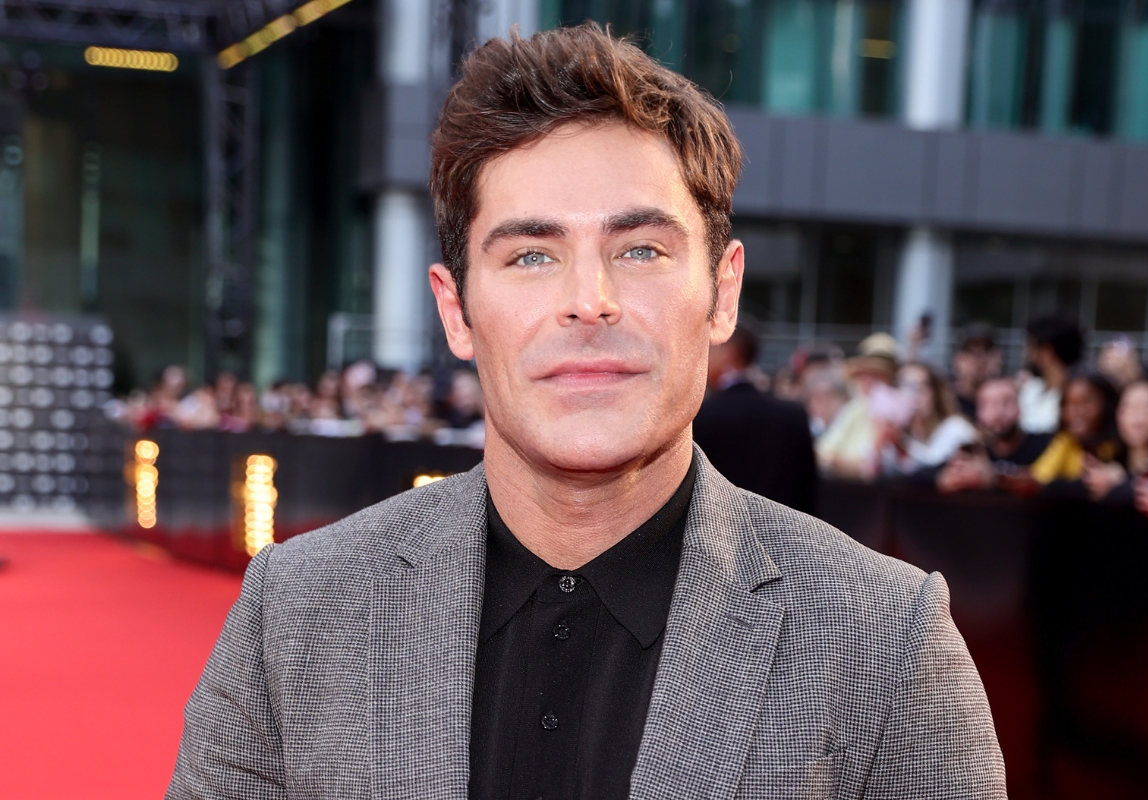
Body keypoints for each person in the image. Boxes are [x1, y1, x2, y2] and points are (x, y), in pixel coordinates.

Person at [167, 25, 1004, 800]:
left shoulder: (885, 644)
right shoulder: (294, 615)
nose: (590, 300)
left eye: (640, 249)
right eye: (532, 255)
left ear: (723, 294)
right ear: (456, 311)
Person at [693, 326, 817, 513]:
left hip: (721, 524)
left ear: (729, 353)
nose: (700, 357)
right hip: (786, 525)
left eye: (708, 348)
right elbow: (807, 489)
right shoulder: (792, 414)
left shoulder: (703, 414)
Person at [937, 376, 1052, 493]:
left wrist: (994, 479)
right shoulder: (970, 450)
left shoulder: (1046, 444)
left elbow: (1049, 482)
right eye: (989, 404)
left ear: (1020, 406)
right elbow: (934, 475)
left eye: (1006, 402)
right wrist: (947, 479)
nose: (998, 412)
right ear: (977, 412)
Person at [815, 332, 902, 479]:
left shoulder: (894, 411)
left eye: (875, 375)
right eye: (863, 374)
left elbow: (868, 468)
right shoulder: (855, 406)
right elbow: (824, 449)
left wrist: (832, 461)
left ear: (889, 378)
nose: (867, 380)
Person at [878, 362, 977, 476]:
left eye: (921, 387)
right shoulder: (897, 435)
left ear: (934, 393)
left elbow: (934, 465)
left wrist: (899, 442)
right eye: (906, 386)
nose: (914, 396)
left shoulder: (957, 428)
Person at [1082, 378, 1148, 502]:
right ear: (1117, 415)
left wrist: (1122, 484)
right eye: (1129, 407)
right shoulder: (1107, 465)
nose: (1139, 416)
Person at [1030, 372, 1121, 486]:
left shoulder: (1120, 446)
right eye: (1068, 404)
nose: (1076, 412)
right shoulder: (1065, 442)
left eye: (1086, 402)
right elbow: (1037, 479)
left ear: (1107, 404)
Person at [1021, 315, 1084, 434]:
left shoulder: (1074, 402)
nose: (1025, 353)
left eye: (1031, 346)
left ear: (1047, 352)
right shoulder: (1030, 389)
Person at [951, 324, 1002, 421]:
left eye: (987, 349)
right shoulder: (944, 403)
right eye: (970, 351)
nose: (980, 357)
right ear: (956, 359)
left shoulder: (1009, 405)